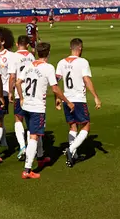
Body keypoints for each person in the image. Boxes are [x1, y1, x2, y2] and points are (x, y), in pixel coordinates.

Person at [17, 42, 74, 179]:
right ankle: (27, 169)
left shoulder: (29, 65)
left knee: (34, 132)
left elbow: (18, 82)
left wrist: (21, 98)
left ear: (37, 53)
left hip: (27, 106)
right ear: (48, 53)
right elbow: (55, 88)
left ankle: (41, 158)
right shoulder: (48, 68)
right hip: (37, 108)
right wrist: (68, 102)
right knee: (34, 136)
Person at [55, 38, 102, 168]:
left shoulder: (61, 62)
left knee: (72, 126)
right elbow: (86, 80)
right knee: (86, 126)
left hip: (66, 99)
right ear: (80, 48)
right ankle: (71, 150)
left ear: (71, 48)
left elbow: (55, 82)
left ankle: (73, 155)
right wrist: (96, 97)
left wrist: (57, 98)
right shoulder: (83, 62)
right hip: (79, 100)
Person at [0, 27, 18, 153]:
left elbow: (13, 74)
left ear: (3, 42)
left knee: (0, 118)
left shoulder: (10, 56)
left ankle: (2, 141)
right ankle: (2, 139)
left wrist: (11, 91)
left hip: (4, 92)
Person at [12, 35, 36, 161]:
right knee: (29, 119)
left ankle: (22, 147)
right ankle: (31, 148)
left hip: (19, 91)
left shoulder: (14, 56)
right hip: (31, 92)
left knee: (18, 118)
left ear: (17, 44)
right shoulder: (31, 56)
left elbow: (12, 76)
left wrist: (11, 91)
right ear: (27, 44)